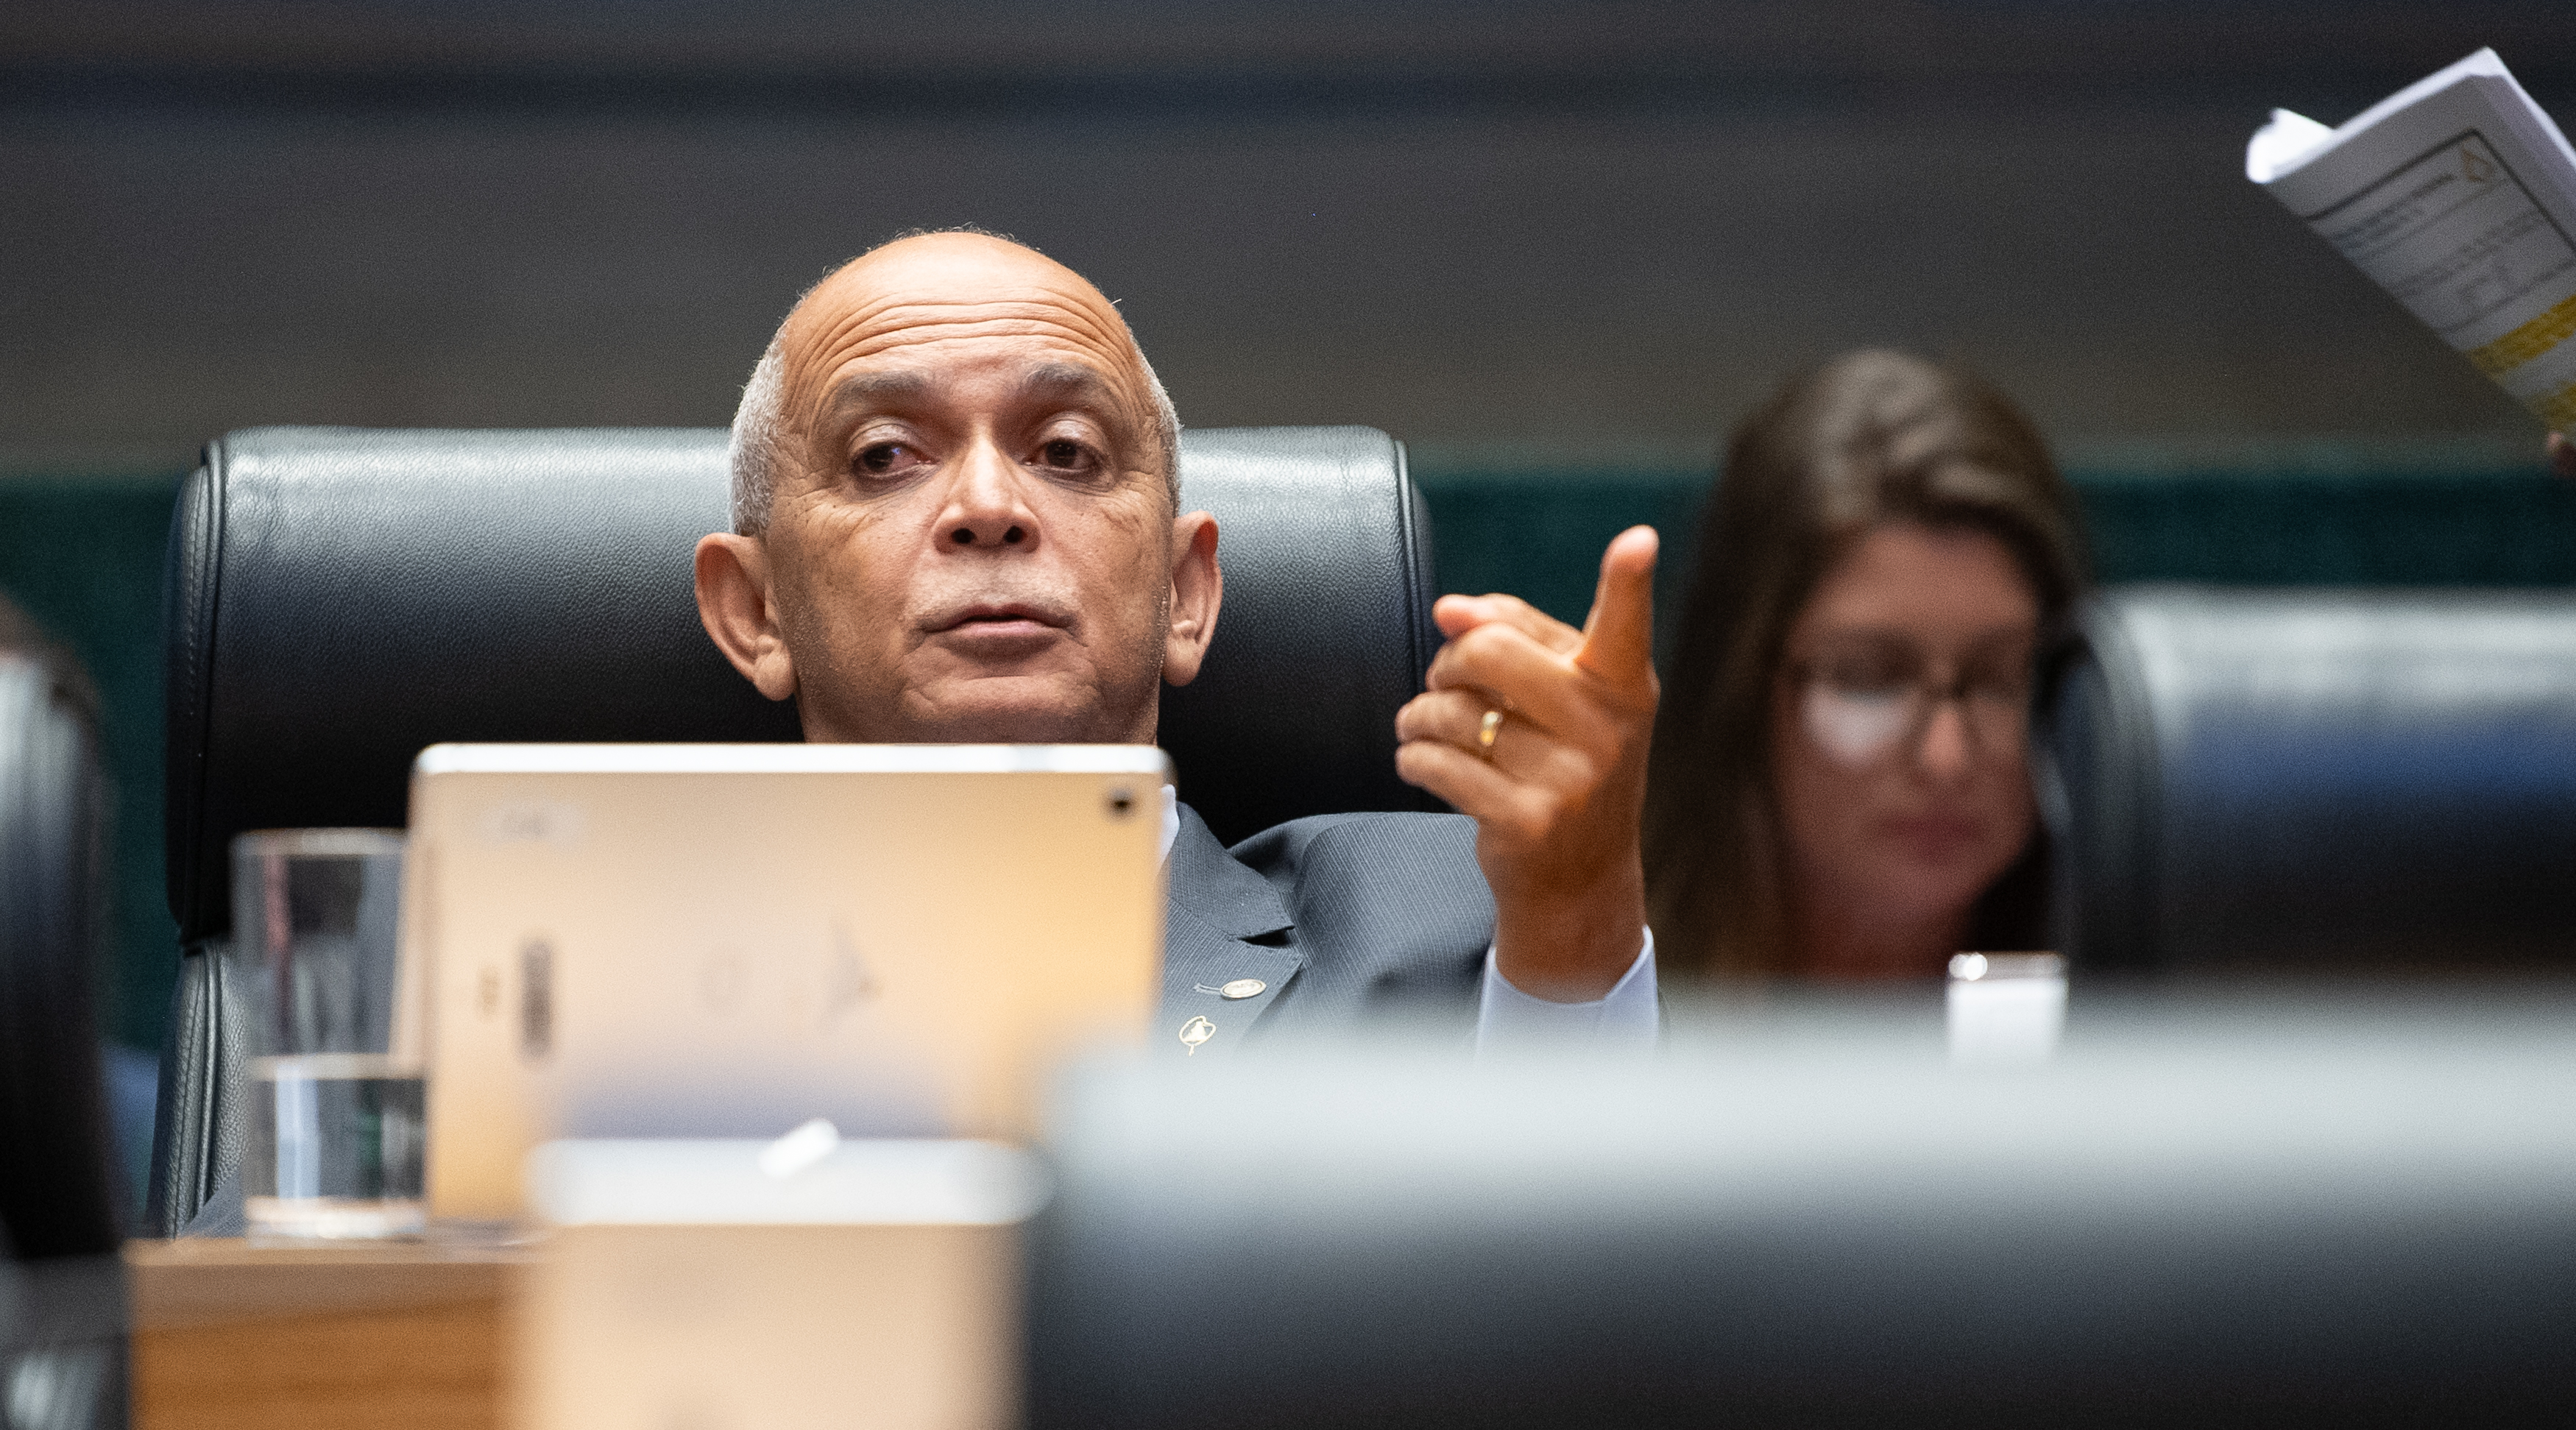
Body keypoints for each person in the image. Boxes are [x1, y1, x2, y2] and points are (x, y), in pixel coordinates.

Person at [693, 230, 1661, 1053]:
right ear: (756, 611)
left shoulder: (1463, 917)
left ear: (1184, 596)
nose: (988, 506)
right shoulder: (621, 964)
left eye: (1066, 451)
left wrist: (1574, 924)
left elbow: (1568, 1219)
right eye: (884, 457)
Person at [1642, 350, 2087, 981]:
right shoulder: (1602, 996)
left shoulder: (2174, 1006)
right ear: (1740, 689)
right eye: (1868, 678)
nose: (1946, 758)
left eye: (1997, 679)